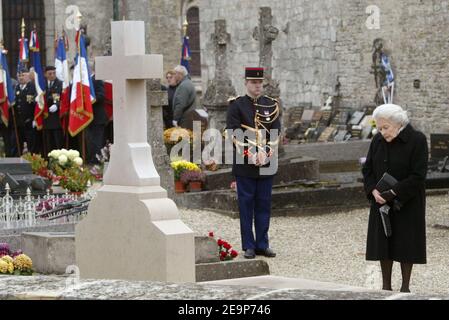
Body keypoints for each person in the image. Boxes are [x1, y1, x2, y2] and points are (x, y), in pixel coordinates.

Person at [362, 104, 428, 293]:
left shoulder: (417, 140)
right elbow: (368, 169)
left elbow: (418, 175)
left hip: (407, 201)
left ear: (398, 124)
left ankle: (405, 287)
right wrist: (373, 190)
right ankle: (386, 286)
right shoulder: (377, 140)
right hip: (380, 201)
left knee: (406, 242)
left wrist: (394, 193)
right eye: (379, 128)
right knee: (384, 243)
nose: (382, 132)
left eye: (385, 128)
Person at [226, 67, 281, 259]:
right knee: (246, 205)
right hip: (244, 163)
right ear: (246, 83)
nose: (257, 86)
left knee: (264, 204)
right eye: (253, 82)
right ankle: (248, 245)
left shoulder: (271, 105)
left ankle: (262, 244)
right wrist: (250, 154)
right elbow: (233, 132)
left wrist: (265, 153)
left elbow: (275, 132)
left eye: (259, 83)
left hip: (266, 162)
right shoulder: (236, 105)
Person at [10, 68, 36, 156]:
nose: (21, 77)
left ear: (28, 76)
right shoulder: (16, 88)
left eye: (23, 75)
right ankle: (15, 165)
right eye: (19, 75)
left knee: (31, 145)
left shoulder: (33, 87)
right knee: (16, 145)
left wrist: (35, 119)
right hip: (18, 123)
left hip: (29, 121)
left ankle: (34, 165)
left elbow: (36, 105)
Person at [86, 62, 107, 165]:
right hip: (88, 116)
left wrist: (90, 100)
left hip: (97, 116)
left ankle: (96, 161)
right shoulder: (86, 81)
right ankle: (91, 159)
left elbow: (101, 96)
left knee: (96, 140)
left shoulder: (96, 80)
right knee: (90, 140)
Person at [43, 66, 63, 153]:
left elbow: (62, 98)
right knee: (48, 143)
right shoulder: (43, 84)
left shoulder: (60, 84)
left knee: (58, 142)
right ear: (45, 75)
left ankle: (59, 162)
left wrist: (56, 105)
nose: (52, 75)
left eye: (54, 73)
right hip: (46, 118)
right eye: (50, 74)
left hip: (56, 119)